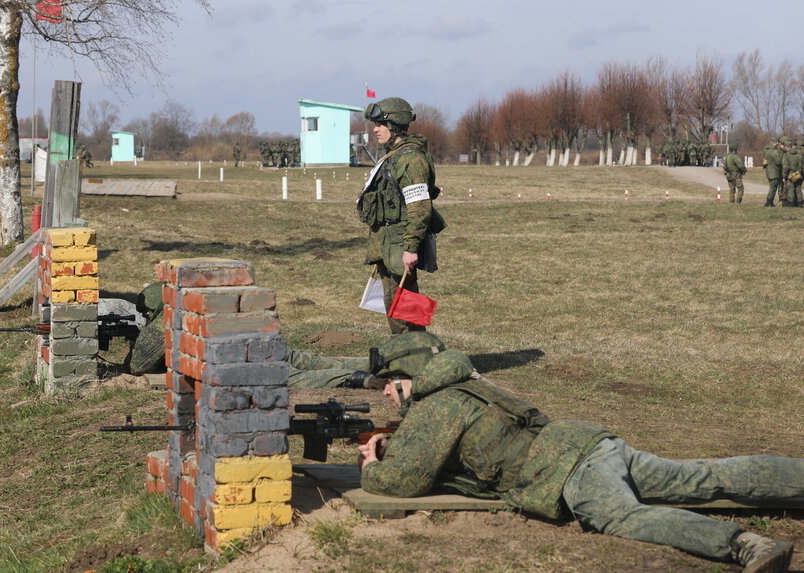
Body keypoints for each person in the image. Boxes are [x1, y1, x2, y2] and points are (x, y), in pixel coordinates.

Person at [357, 332, 801, 573]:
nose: (387, 398)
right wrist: (395, 443)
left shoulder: (436, 405)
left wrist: (373, 465)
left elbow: (403, 482)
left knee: (620, 517)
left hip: (569, 471)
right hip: (590, 444)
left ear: (407, 377)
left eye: (388, 388)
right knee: (699, 477)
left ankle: (744, 545)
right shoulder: (467, 385)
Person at [127, 282, 382, 388]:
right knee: (310, 360)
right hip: (259, 335)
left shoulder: (170, 316)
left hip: (245, 354)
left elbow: (139, 365)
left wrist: (135, 340)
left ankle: (356, 377)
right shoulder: (200, 296)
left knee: (297, 377)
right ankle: (381, 362)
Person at [357, 97, 443, 334]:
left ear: (394, 125)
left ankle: (414, 353)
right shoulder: (394, 156)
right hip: (389, 240)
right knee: (395, 300)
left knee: (403, 300)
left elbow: (419, 206)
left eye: (380, 124)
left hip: (400, 241)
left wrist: (411, 247)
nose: (375, 129)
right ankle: (412, 351)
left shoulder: (410, 159)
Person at [782, 139, 803, 208]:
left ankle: (791, 204)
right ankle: (800, 203)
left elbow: (786, 167)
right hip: (799, 174)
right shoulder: (800, 154)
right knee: (798, 189)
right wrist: (799, 173)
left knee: (790, 189)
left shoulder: (786, 155)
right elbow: (801, 165)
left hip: (790, 175)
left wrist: (784, 177)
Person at [762, 139, 784, 207]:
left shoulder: (767, 151)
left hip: (769, 172)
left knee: (772, 188)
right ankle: (769, 202)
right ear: (776, 143)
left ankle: (769, 202)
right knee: (773, 188)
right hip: (774, 172)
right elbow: (778, 162)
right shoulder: (775, 152)